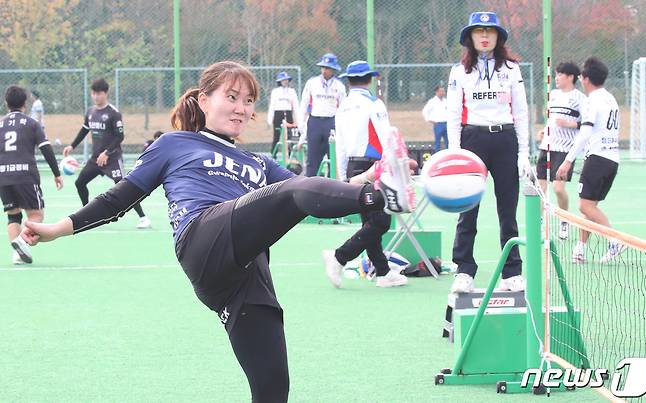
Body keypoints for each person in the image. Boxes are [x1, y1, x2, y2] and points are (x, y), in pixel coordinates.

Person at [19, 61, 414, 403]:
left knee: (273, 384)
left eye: (248, 101)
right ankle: (379, 197)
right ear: (204, 99)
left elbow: (312, 189)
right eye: (232, 97)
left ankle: (376, 194)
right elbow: (116, 200)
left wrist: (369, 176)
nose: (242, 108)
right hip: (203, 237)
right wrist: (56, 229)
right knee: (295, 191)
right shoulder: (174, 144)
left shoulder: (257, 162)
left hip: (245, 274)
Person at [446, 11, 532, 294]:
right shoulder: (460, 72)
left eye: (490, 31)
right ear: (470, 37)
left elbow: (520, 112)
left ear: (498, 37)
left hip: (505, 140)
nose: (484, 36)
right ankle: (464, 270)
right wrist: (455, 152)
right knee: (468, 209)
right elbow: (454, 114)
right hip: (473, 140)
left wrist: (523, 153)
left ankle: (512, 272)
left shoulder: (511, 69)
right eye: (479, 31)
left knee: (508, 210)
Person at [323, 60, 409, 289]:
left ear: (349, 81)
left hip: (352, 167)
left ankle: (383, 272)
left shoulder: (342, 106)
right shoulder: (374, 103)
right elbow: (386, 137)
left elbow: (339, 145)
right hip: (373, 167)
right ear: (370, 79)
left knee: (371, 222)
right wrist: (394, 166)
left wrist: (343, 177)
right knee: (380, 222)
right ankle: (339, 257)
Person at [556, 57, 623, 264]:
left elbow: (584, 133)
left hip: (598, 158)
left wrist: (567, 161)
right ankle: (580, 249)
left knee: (586, 207)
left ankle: (615, 240)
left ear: (584, 79)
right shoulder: (610, 98)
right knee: (590, 206)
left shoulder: (591, 101)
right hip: (612, 159)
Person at [63, 78, 151, 229]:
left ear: (105, 93)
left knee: (125, 187)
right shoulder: (90, 112)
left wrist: (107, 152)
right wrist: (72, 145)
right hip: (96, 159)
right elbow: (85, 130)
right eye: (93, 93)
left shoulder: (113, 113)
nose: (95, 96)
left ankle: (143, 218)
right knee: (80, 183)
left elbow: (120, 136)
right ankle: (86, 214)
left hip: (112, 158)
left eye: (99, 93)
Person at [0, 86, 63, 265]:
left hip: (3, 177)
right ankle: (20, 242)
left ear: (6, 103)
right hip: (25, 176)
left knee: (13, 216)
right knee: (36, 215)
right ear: (25, 104)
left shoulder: (1, 125)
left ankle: (17, 254)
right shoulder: (31, 123)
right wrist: (57, 173)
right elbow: (46, 149)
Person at [536, 62, 586, 240]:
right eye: (555, 75)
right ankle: (540, 224)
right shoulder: (554, 95)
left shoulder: (580, 98)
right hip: (547, 147)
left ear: (570, 77)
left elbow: (587, 124)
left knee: (558, 188)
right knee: (540, 188)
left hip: (565, 150)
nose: (556, 78)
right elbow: (552, 119)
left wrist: (570, 124)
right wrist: (544, 129)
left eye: (560, 75)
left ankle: (564, 220)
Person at [297, 53, 346, 176]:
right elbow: (304, 104)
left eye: (328, 68)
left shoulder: (339, 86)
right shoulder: (312, 83)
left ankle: (331, 188)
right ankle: (309, 186)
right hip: (315, 122)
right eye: (323, 67)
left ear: (334, 70)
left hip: (331, 122)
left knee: (333, 158)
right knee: (312, 159)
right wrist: (301, 123)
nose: (325, 71)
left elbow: (343, 108)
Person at [267, 71, 299, 158]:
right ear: (279, 81)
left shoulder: (292, 91)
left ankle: (290, 155)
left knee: (289, 136)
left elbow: (296, 106)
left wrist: (298, 119)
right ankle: (274, 155)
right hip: (278, 114)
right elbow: (272, 106)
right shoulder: (275, 92)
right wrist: (269, 120)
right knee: (277, 136)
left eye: (287, 80)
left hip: (288, 114)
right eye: (283, 80)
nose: (285, 81)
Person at [422, 85, 449, 152]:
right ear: (436, 92)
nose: (443, 92)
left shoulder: (446, 101)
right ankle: (436, 155)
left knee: (448, 142)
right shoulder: (432, 101)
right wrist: (429, 119)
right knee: (437, 142)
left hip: (446, 123)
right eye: (441, 91)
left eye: (443, 91)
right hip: (438, 124)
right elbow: (425, 111)